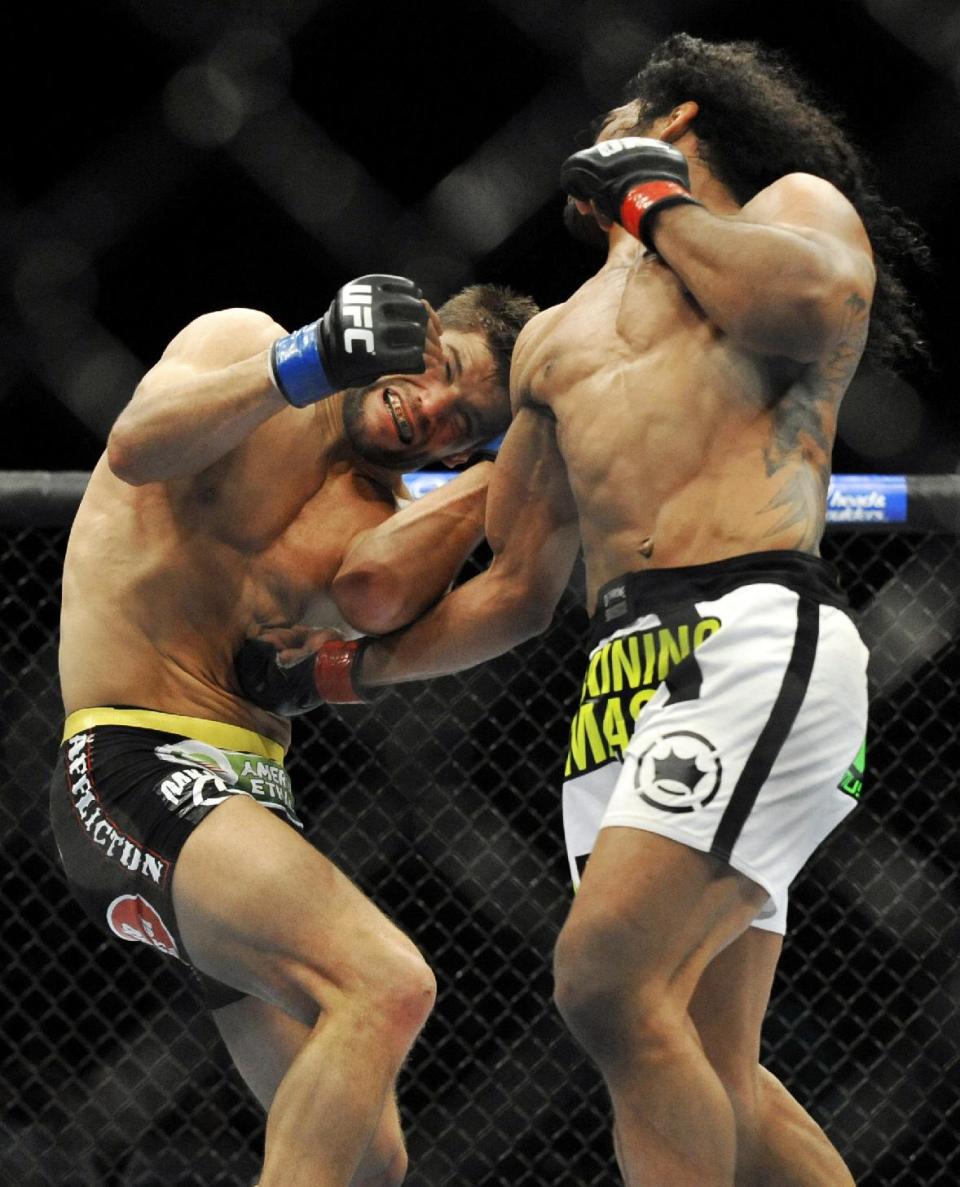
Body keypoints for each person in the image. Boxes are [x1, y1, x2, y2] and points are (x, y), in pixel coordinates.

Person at [251, 37, 929, 1187]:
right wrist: (345, 672)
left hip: (751, 631)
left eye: (617, 118)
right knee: (716, 1064)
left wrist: (654, 196)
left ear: (680, 120)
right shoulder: (558, 341)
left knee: (604, 977)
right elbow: (516, 584)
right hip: (621, 680)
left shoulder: (788, 213)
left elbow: (816, 306)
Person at [48, 272, 538, 1187]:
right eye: (445, 371)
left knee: (370, 1162)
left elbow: (372, 596)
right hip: (134, 765)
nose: (430, 411)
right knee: (387, 983)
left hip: (251, 806)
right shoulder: (245, 339)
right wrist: (304, 359)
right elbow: (136, 445)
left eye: (463, 424)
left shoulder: (386, 511)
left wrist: (494, 475)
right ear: (419, 325)